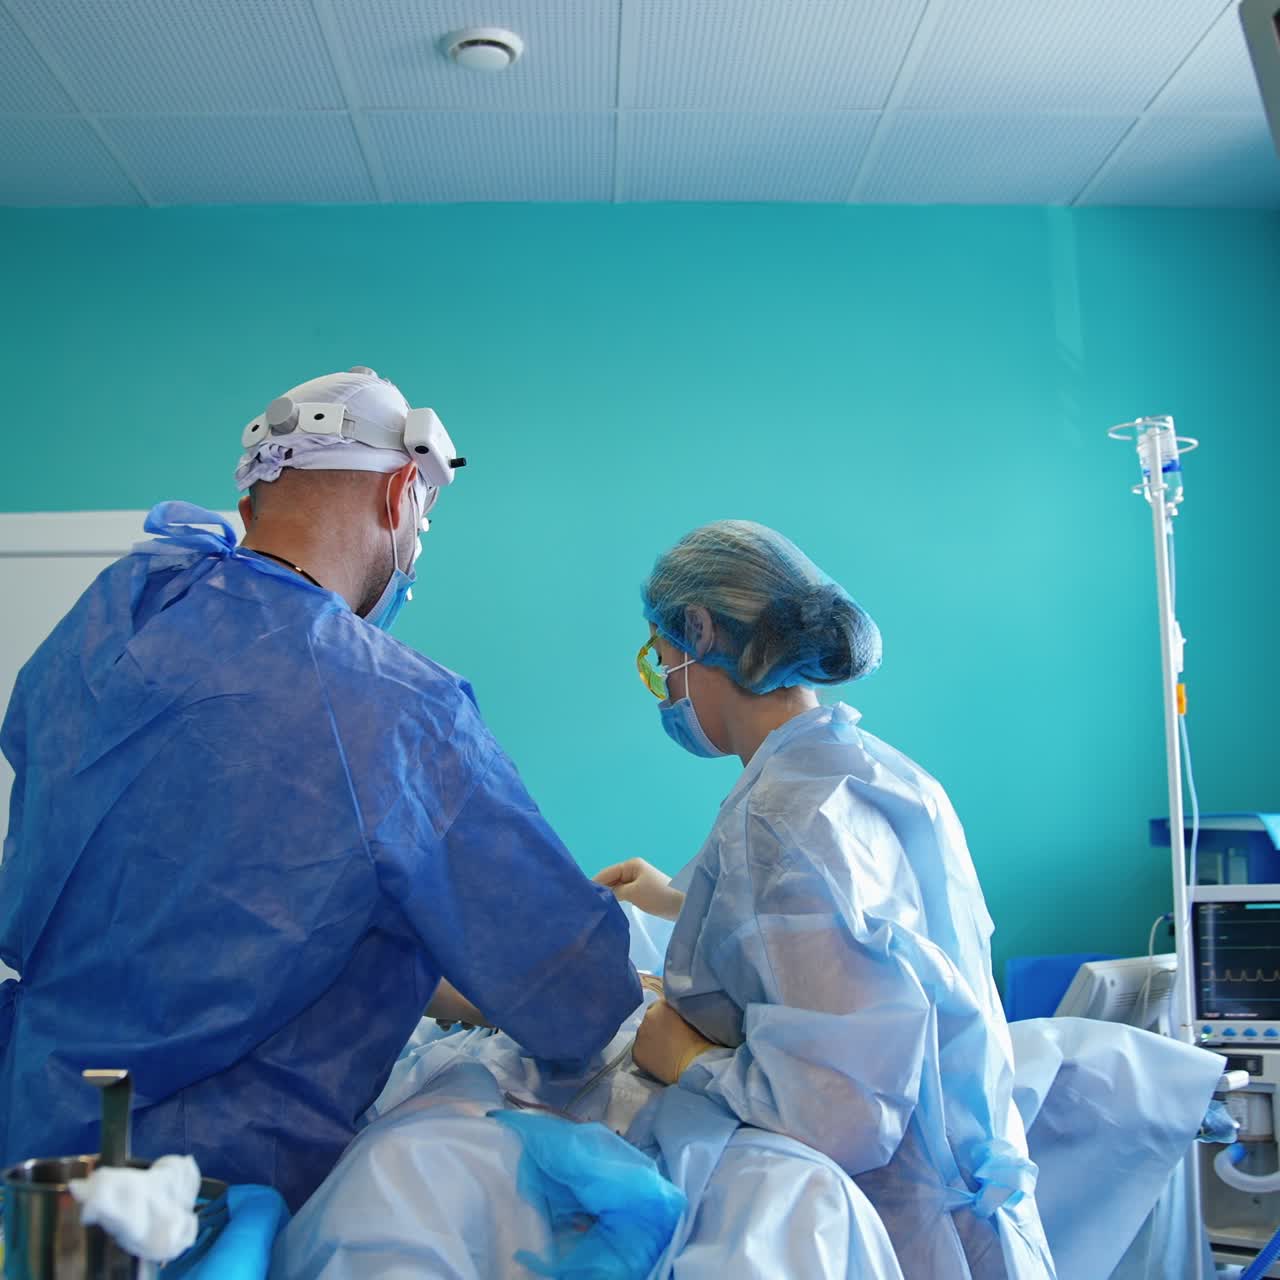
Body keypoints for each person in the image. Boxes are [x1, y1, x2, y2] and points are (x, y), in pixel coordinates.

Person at [0, 367, 639, 1211]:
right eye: (423, 524)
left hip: (32, 1139)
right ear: (402, 494)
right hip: (204, 1193)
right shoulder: (400, 709)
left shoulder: (119, 614)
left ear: (251, 507)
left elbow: (169, 909)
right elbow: (577, 998)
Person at [594, 519, 1056, 1279]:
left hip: (889, 1228)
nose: (664, 686)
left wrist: (689, 1060)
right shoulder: (868, 769)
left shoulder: (779, 819)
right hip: (963, 1202)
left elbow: (842, 1113)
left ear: (699, 632)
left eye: (659, 659)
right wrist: (676, 901)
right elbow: (847, 943)